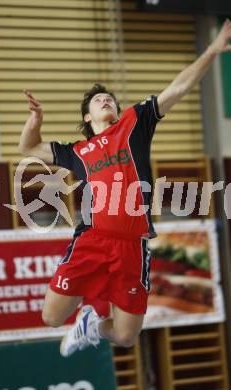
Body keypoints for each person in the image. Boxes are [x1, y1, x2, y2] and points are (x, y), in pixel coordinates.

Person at [19, 20, 231, 357]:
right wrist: (35, 123)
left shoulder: (134, 125)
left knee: (126, 335)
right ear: (87, 118)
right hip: (93, 240)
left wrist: (213, 50)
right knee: (50, 316)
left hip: (132, 246)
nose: (106, 100)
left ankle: (91, 327)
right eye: (98, 100)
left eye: (110, 99)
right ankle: (81, 320)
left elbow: (177, 89)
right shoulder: (77, 152)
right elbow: (28, 148)